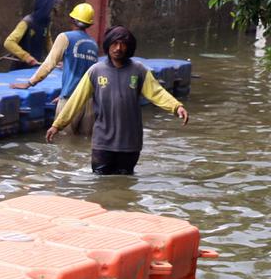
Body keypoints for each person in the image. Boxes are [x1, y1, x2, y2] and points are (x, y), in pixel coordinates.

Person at [46, 26, 189, 175]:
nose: (118, 48)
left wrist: (176, 107)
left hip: (130, 143)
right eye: (114, 43)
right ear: (108, 45)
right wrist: (57, 125)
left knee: (125, 182)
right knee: (100, 182)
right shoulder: (95, 71)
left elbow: (157, 93)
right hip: (102, 142)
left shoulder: (139, 70)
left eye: (123, 44)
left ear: (129, 47)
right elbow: (76, 100)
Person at [12, 2, 100, 136]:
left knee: (65, 145)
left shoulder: (65, 37)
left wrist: (29, 83)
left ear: (72, 20)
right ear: (89, 24)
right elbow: (87, 74)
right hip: (90, 103)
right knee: (83, 144)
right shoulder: (93, 44)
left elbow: (49, 64)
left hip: (70, 101)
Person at [4, 0, 58, 70]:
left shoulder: (46, 23)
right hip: (19, 69)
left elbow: (48, 41)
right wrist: (26, 56)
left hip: (34, 68)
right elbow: (9, 42)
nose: (53, 11)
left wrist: (56, 59)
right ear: (45, 8)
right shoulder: (27, 22)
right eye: (51, 8)